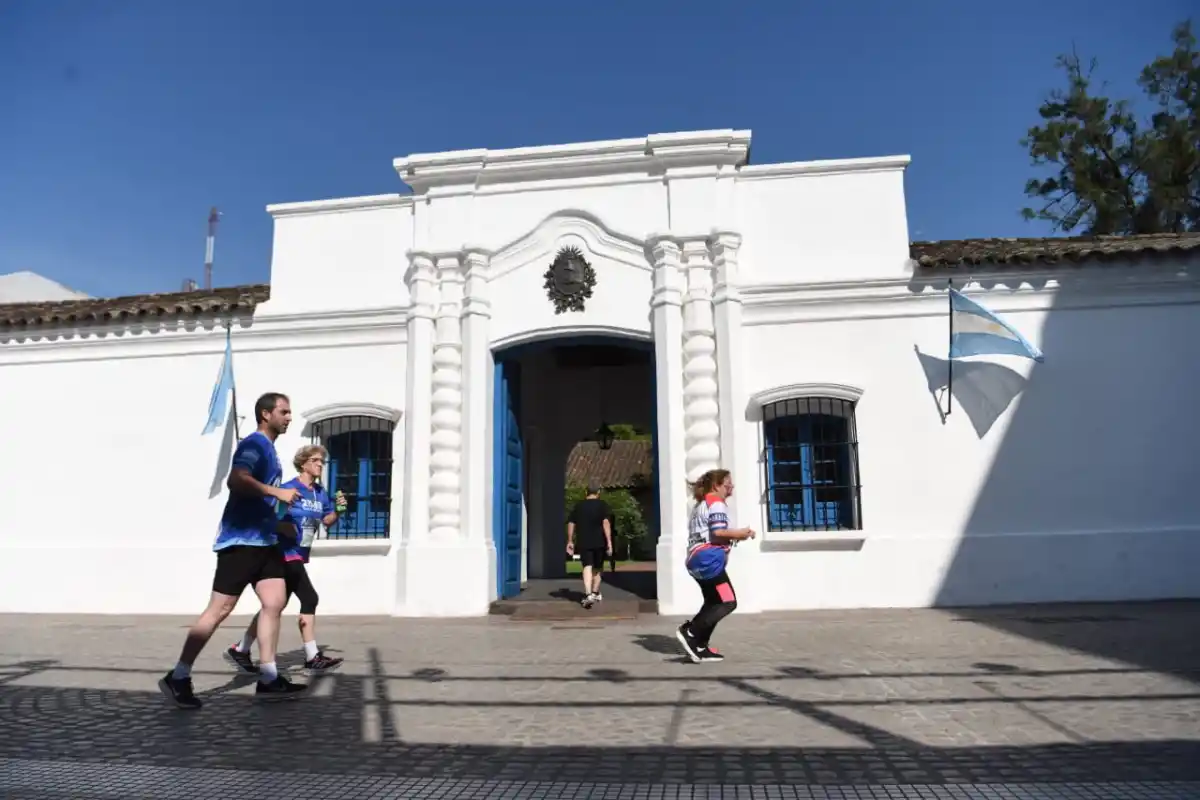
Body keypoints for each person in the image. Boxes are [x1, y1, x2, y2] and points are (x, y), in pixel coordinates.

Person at [158, 392, 308, 709]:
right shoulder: (254, 445)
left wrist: (277, 523)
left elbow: (259, 500)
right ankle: (179, 676)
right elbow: (236, 480)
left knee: (275, 601)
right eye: (284, 411)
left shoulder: (270, 449)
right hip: (240, 542)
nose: (289, 417)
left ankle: (268, 678)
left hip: (265, 542)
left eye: (290, 412)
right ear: (265, 414)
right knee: (219, 611)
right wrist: (276, 492)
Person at [225, 444, 346, 674]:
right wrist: (283, 525)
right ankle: (312, 656)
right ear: (303, 463)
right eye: (316, 460)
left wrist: (339, 510)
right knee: (309, 598)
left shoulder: (319, 493)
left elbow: (327, 521)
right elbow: (269, 517)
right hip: (284, 552)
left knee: (274, 606)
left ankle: (241, 649)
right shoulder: (289, 488)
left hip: (300, 553)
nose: (320, 464)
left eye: (322, 461)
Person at [675, 468, 755, 663]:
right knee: (728, 601)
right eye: (727, 482)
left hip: (697, 560)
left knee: (713, 601)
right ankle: (691, 632)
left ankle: (700, 646)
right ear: (716, 485)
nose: (731, 486)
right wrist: (741, 534)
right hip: (708, 561)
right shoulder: (716, 502)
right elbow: (718, 532)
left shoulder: (701, 505)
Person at [565, 479, 613, 609]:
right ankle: (595, 592)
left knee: (587, 566)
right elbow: (606, 523)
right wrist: (609, 542)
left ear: (586, 491)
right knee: (598, 567)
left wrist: (570, 540)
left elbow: (571, 523)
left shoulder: (578, 506)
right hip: (599, 541)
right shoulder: (602, 505)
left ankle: (587, 594)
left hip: (584, 540)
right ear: (598, 492)